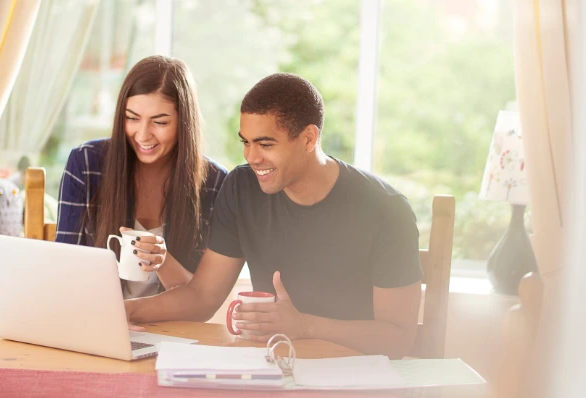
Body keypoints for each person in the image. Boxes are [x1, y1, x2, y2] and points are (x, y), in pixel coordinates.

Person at [124, 72, 422, 358]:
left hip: (354, 375)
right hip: (271, 367)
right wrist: (122, 311)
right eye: (246, 142)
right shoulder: (242, 189)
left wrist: (304, 326)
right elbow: (202, 296)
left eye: (265, 144)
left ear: (308, 139)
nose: (252, 158)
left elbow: (398, 339)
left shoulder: (386, 210)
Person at [56, 56, 228, 299]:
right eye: (132, 118)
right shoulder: (86, 163)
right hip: (97, 321)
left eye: (160, 122)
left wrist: (163, 260)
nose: (143, 135)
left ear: (184, 122)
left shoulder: (215, 183)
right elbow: (64, 266)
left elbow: (201, 300)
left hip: (172, 330)